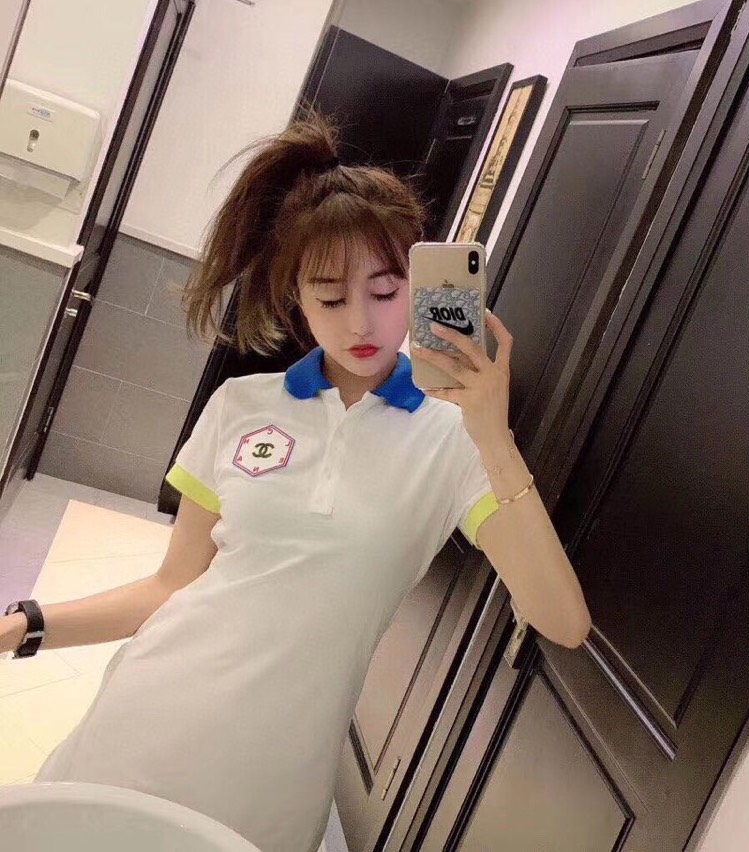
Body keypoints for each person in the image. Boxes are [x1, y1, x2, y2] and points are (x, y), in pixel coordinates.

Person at [0, 107, 591, 851]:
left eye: (385, 291)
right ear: (297, 298)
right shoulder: (239, 407)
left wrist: (493, 434)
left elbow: (562, 621)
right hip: (142, 721)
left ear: (418, 287)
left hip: (274, 777)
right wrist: (22, 625)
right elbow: (170, 588)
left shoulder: (456, 440)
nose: (360, 323)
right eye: (331, 297)